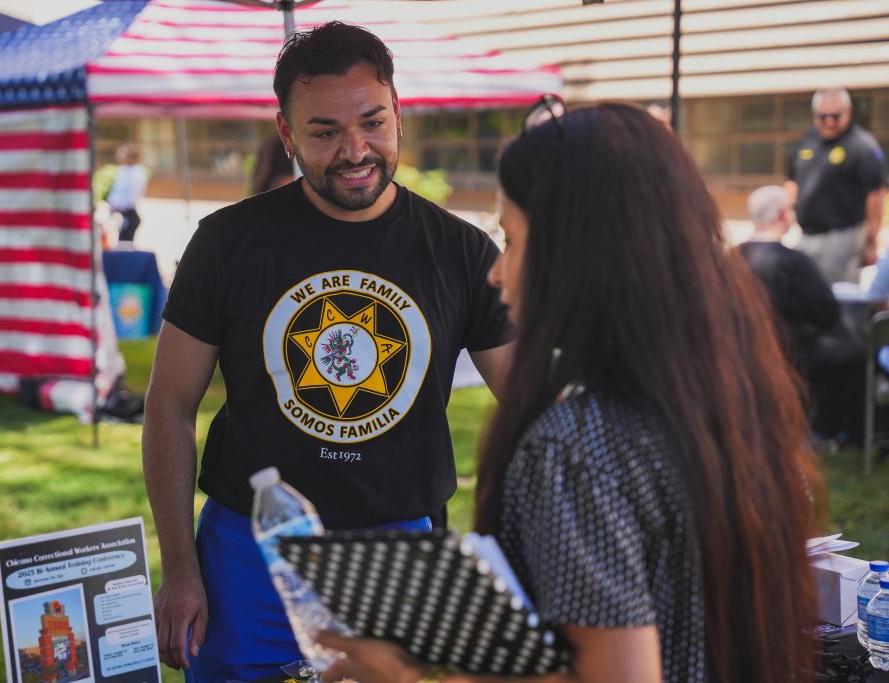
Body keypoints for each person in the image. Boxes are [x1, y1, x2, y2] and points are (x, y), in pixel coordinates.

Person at [317, 104, 824, 683]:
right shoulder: (729, 403)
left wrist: (410, 674)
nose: (496, 272)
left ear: (579, 256)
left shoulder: (576, 448)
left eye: (512, 240)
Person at [142, 21, 514, 682]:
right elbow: (169, 403)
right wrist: (179, 566)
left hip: (401, 549)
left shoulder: (461, 250)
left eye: (372, 122)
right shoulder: (225, 243)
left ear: (398, 114)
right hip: (246, 551)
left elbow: (528, 404)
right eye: (324, 132)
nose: (354, 149)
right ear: (287, 134)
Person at [738, 185, 864, 447]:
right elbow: (827, 313)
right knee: (855, 354)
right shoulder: (794, 262)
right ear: (784, 214)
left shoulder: (731, 257)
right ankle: (828, 430)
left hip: (739, 348)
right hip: (794, 351)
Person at [785, 88, 887, 284]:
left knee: (836, 296)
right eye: (823, 117)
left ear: (848, 112)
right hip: (805, 235)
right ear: (815, 116)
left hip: (843, 237)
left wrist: (871, 242)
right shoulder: (807, 140)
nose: (829, 121)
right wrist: (787, 209)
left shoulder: (862, 145)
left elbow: (877, 194)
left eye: (835, 116)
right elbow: (791, 179)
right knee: (803, 292)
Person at [107, 144, 148, 242]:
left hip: (128, 213)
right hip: (120, 212)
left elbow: (132, 195)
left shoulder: (137, 172)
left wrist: (119, 206)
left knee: (125, 243)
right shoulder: (123, 170)